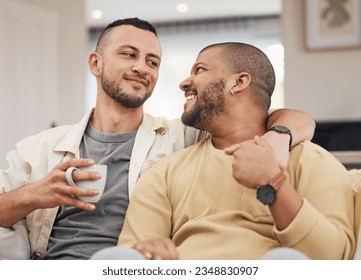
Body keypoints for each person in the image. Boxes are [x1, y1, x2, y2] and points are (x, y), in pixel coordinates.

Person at [0, 18, 315, 260]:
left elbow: (286, 118)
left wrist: (279, 138)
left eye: (152, 61)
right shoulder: (36, 150)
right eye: (129, 54)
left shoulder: (183, 135)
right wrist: (35, 194)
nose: (141, 67)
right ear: (96, 63)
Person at [117, 42, 355, 260]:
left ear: (239, 82)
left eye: (199, 70)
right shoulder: (163, 173)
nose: (184, 82)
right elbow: (127, 259)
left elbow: (332, 259)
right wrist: (147, 252)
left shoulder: (313, 160)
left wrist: (274, 182)